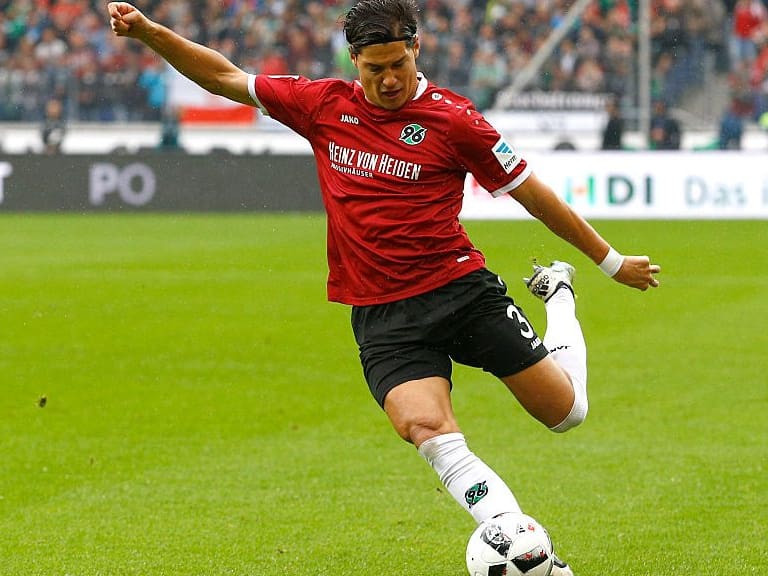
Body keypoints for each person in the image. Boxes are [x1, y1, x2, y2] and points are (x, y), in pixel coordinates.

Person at [107, 1, 661, 572]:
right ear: (355, 61)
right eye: (375, 69)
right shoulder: (323, 105)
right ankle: (528, 554)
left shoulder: (456, 120)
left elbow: (530, 191)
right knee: (426, 428)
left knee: (564, 414)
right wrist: (149, 32)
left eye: (398, 63)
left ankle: (559, 294)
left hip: (459, 293)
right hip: (383, 314)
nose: (389, 79)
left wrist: (610, 261)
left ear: (415, 49)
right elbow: (224, 76)